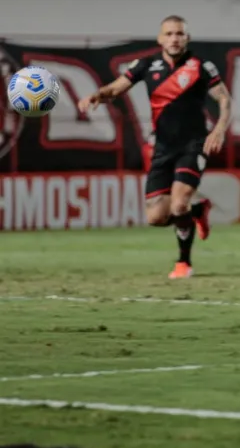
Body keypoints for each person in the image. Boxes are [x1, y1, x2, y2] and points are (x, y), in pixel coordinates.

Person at [78, 15, 231, 279]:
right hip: (162, 146)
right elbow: (116, 89)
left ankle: (184, 263)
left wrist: (219, 129)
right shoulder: (147, 65)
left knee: (179, 203)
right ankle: (198, 210)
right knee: (156, 218)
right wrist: (97, 95)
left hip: (193, 144)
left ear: (187, 38)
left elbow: (225, 100)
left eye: (179, 34)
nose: (174, 38)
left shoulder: (201, 66)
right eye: (169, 34)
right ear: (160, 39)